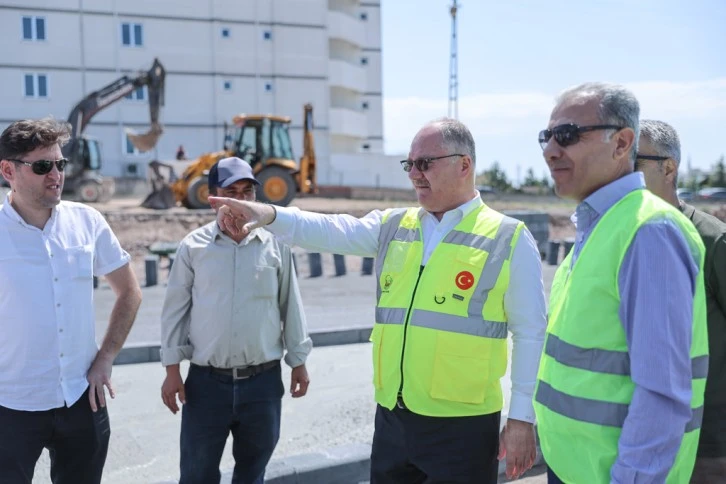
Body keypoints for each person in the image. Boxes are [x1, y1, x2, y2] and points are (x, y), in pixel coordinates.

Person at [209, 118, 548, 483]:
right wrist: (269, 214)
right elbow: (330, 229)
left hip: (462, 427)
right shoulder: (394, 225)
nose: (415, 174)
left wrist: (521, 418)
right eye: (410, 164)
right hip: (393, 420)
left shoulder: (507, 237)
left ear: (464, 164)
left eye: (426, 163)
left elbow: (530, 334)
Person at [533, 83, 709, 483]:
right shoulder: (598, 227)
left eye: (568, 135)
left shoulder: (649, 231)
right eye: (546, 137)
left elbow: (662, 394)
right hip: (573, 468)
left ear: (622, 143)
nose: (550, 150)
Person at [0, 117, 142, 483]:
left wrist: (106, 358)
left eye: (60, 164)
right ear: (8, 171)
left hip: (82, 397)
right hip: (11, 406)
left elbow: (129, 292)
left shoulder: (87, 221)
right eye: (43, 166)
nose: (56, 175)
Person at [160, 156, 312, 484]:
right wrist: (172, 371)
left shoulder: (276, 244)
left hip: (262, 385)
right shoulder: (193, 247)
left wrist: (298, 361)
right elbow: (176, 310)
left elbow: (290, 303)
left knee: (252, 475)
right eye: (232, 191)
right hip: (205, 386)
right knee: (197, 475)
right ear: (214, 196)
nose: (241, 200)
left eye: (247, 191)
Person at [636, 119, 726, 483]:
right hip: (636, 432)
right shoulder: (614, 238)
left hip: (706, 437)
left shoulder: (712, 241)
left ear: (668, 167)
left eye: (633, 162)